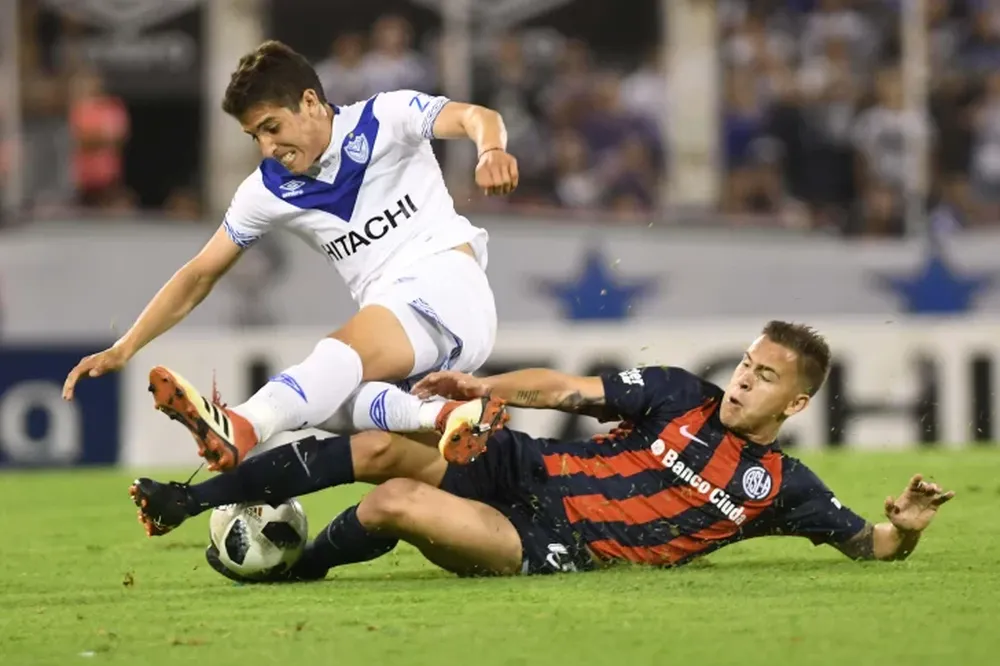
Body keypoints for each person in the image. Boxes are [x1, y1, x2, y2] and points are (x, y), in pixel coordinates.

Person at [130, 321, 955, 579]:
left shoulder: (781, 485)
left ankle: (292, 568)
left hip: (556, 544)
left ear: (798, 402)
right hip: (528, 467)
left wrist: (908, 525)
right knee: (383, 442)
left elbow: (872, 546)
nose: (742, 381)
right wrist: (484, 390)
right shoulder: (677, 390)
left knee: (391, 506)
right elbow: (565, 390)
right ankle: (187, 499)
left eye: (764, 376)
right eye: (745, 363)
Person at [62, 40, 519, 467]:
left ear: (309, 102)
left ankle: (242, 424)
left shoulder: (385, 117)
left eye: (271, 127)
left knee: (333, 360)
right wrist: (125, 348)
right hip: (402, 326)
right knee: (327, 403)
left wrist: (491, 150)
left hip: (449, 287)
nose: (267, 147)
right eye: (254, 136)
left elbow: (476, 116)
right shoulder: (266, 190)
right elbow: (200, 274)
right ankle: (444, 417)